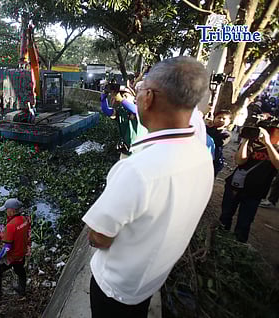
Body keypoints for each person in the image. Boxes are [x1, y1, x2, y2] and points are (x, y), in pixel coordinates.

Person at [82, 56, 214, 318]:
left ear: (150, 97)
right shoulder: (202, 154)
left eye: (140, 88)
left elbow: (98, 237)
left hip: (115, 290)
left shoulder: (137, 170)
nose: (136, 94)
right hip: (149, 282)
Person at [219, 127, 279, 242]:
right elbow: (240, 161)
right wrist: (246, 140)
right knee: (225, 216)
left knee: (244, 223)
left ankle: (238, 247)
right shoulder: (251, 144)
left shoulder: (275, 150)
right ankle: (220, 240)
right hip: (235, 187)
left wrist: (268, 144)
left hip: (255, 193)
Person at [0, 198, 31, 299]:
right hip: (22, 253)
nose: (6, 212)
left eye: (6, 210)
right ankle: (22, 289)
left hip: (12, 256)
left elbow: (7, 248)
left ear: (12, 211)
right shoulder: (25, 220)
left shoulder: (10, 226)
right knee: (20, 270)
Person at [206, 110, 232, 176]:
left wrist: (213, 129)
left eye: (224, 118)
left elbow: (219, 142)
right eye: (219, 117)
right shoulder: (206, 128)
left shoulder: (226, 134)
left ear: (229, 122)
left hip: (214, 160)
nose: (220, 120)